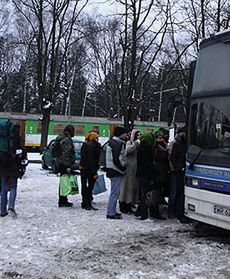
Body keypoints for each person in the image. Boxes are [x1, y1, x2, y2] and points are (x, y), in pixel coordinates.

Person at [0, 133, 27, 217]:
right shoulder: (17, 138)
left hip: (2, 166)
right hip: (13, 165)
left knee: (3, 188)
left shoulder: (2, 138)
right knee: (13, 187)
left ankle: (2, 211)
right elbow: (23, 151)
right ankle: (11, 207)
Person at [135, 133, 159, 220]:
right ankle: (143, 214)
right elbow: (149, 164)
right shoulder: (148, 149)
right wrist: (152, 176)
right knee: (147, 194)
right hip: (146, 175)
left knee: (144, 194)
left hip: (140, 174)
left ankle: (139, 212)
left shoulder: (140, 148)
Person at [106, 126, 128, 219]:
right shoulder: (117, 144)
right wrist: (123, 168)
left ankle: (112, 211)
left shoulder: (112, 142)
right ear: (120, 134)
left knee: (114, 192)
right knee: (115, 193)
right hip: (115, 170)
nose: (126, 135)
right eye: (125, 133)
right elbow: (117, 159)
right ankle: (111, 213)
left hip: (111, 169)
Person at [168, 126, 188, 223]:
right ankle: (176, 212)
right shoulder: (177, 144)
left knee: (180, 193)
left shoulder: (185, 143)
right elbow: (173, 157)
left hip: (183, 171)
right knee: (177, 193)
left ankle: (178, 211)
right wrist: (179, 166)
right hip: (178, 172)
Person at [119, 129, 141, 214]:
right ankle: (124, 205)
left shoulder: (139, 144)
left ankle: (130, 204)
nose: (139, 137)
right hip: (129, 169)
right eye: (137, 135)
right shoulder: (129, 143)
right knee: (126, 188)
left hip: (135, 170)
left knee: (132, 188)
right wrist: (135, 144)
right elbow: (127, 151)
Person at [56, 125, 77, 207]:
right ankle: (62, 200)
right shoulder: (67, 140)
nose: (74, 133)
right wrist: (68, 165)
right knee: (64, 182)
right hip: (64, 164)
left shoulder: (61, 138)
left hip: (61, 162)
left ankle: (63, 199)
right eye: (73, 131)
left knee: (63, 182)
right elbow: (66, 153)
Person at [80, 131, 101, 210]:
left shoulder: (85, 145)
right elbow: (92, 160)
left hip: (83, 168)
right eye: (96, 137)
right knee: (90, 186)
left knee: (84, 186)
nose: (98, 139)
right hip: (89, 169)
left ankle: (85, 202)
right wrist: (94, 172)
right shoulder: (92, 146)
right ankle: (87, 202)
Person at [151, 132, 169, 219]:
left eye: (162, 138)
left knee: (160, 192)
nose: (161, 140)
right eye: (159, 138)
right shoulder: (155, 147)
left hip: (163, 172)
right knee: (156, 193)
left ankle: (156, 209)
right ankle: (155, 211)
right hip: (158, 173)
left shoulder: (165, 146)